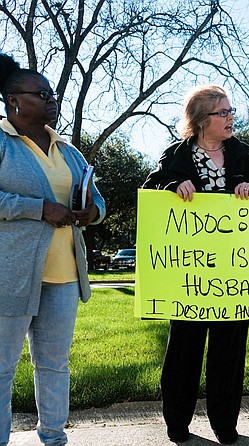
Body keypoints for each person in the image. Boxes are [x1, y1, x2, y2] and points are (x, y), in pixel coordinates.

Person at [142, 84, 249, 444]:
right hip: (188, 275)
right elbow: (151, 191)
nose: (231, 118)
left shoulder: (244, 154)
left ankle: (225, 423)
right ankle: (177, 423)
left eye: (231, 112)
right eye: (223, 112)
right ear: (201, 120)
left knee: (229, 352)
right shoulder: (176, 155)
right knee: (184, 349)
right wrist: (172, 184)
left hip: (236, 273)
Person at [0, 53, 106, 446]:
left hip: (64, 275)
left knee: (54, 365)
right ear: (14, 100)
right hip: (10, 274)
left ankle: (54, 438)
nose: (52, 99)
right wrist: (38, 208)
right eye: (42, 93)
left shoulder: (70, 151)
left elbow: (98, 199)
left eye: (53, 93)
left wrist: (91, 211)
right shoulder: (1, 141)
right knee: (1, 368)